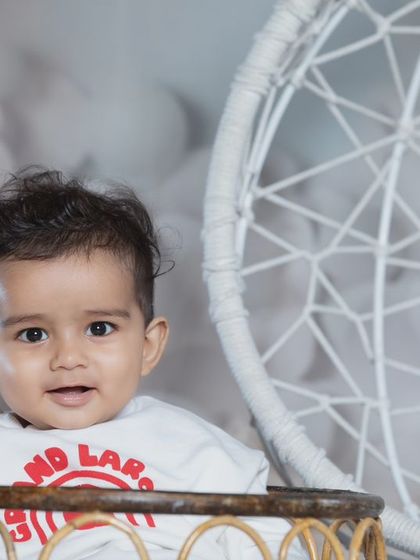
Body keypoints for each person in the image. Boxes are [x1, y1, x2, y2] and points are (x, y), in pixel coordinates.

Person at [0, 169, 306, 559]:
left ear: (147, 346)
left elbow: (273, 548)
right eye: (33, 335)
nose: (68, 359)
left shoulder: (195, 451)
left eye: (99, 327)